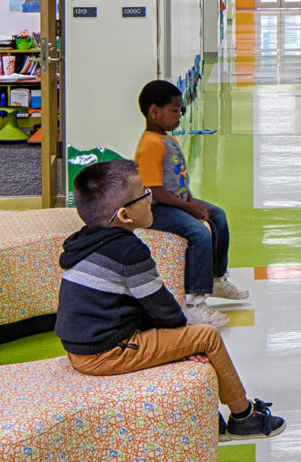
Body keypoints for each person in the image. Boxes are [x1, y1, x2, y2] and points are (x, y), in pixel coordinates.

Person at [57, 159, 283, 438]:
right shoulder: (129, 251)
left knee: (180, 338)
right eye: (144, 194)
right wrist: (186, 334)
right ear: (125, 215)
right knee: (206, 337)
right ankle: (243, 415)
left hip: (82, 346)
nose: (151, 199)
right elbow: (164, 309)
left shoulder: (85, 241)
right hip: (105, 352)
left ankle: (207, 417)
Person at [135, 80, 246, 321]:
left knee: (218, 216)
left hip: (176, 202)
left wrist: (193, 201)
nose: (179, 116)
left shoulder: (167, 139)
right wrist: (188, 207)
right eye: (174, 110)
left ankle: (216, 278)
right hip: (157, 209)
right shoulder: (151, 145)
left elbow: (178, 180)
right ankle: (194, 301)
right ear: (154, 112)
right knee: (198, 233)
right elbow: (154, 191)